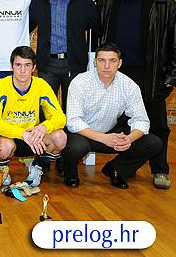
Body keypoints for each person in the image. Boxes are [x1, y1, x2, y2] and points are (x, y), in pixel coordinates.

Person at [99, 0, 176, 190]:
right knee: (121, 126)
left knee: (157, 127)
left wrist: (170, 80)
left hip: (151, 77)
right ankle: (121, 166)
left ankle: (160, 170)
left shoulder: (164, 3)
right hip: (115, 75)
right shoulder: (108, 2)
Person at [62, 43, 162, 189]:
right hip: (83, 134)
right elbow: (73, 122)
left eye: (112, 60)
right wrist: (103, 138)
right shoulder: (80, 82)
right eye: (102, 60)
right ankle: (69, 172)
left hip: (110, 133)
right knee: (75, 147)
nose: (107, 66)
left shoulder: (129, 85)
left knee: (153, 143)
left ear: (119, 63)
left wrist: (129, 139)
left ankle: (116, 170)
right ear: (94, 62)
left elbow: (141, 120)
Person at [0, 46, 67, 187]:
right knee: (5, 146)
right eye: (18, 65)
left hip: (33, 137)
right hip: (9, 136)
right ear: (11, 66)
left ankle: (37, 166)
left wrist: (44, 127)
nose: (22, 70)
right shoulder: (1, 86)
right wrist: (21, 133)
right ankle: (2, 168)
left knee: (60, 138)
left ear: (34, 67)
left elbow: (60, 118)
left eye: (27, 65)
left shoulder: (41, 85)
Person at [29, 0, 98, 110]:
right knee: (46, 110)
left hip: (74, 64)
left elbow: (97, 26)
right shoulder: (38, 2)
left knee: (73, 109)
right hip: (47, 65)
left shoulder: (84, 2)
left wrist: (94, 3)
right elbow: (24, 28)